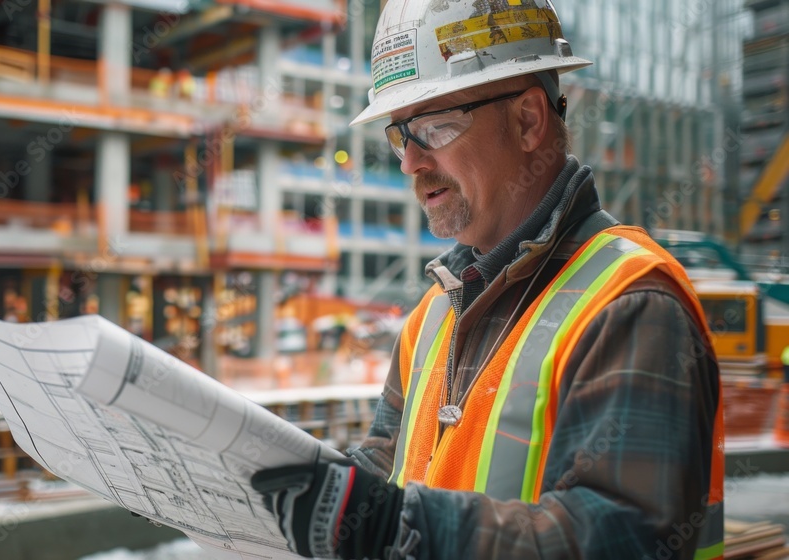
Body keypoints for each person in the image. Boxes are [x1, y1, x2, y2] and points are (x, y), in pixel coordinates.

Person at [250, 1, 724, 559]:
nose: (411, 161)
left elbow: (625, 536)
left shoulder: (630, 305)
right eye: (401, 134)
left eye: (434, 126)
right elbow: (387, 463)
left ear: (528, 120)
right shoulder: (431, 316)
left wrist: (400, 529)